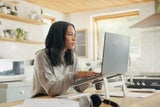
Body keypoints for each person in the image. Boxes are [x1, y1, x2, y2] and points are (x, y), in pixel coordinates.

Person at [32, 21, 99, 97]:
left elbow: (79, 88)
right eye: (70, 35)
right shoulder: (42, 56)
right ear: (58, 36)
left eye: (74, 35)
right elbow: (52, 90)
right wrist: (75, 75)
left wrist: (92, 77)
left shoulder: (72, 56)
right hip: (42, 99)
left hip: (62, 99)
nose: (74, 38)